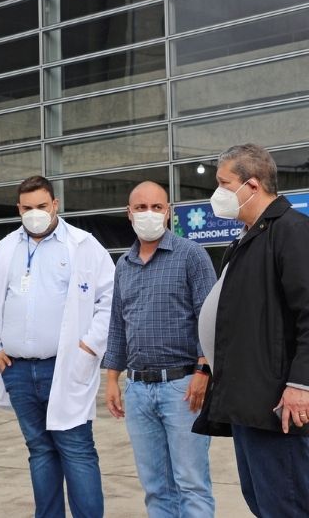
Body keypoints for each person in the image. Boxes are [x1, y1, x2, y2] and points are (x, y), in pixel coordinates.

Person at [0, 175, 115, 518]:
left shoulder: (83, 245)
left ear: (55, 205)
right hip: (18, 369)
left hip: (65, 366)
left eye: (41, 206)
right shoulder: (5, 248)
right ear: (18, 209)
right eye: (27, 208)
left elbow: (109, 299)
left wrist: (87, 348)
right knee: (39, 449)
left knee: (77, 449)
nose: (35, 213)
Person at [194, 144, 309, 517]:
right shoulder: (247, 238)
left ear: (253, 185)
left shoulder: (291, 231)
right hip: (248, 403)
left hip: (278, 407)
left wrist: (301, 386)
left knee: (286, 505)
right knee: (262, 502)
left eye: (223, 183)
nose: (217, 193)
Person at [103, 181, 216, 517]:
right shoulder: (124, 264)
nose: (148, 214)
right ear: (129, 213)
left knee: (191, 484)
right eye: (140, 207)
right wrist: (112, 378)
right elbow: (117, 325)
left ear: (168, 212)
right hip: (138, 390)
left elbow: (210, 318)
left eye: (156, 207)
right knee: (155, 488)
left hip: (183, 388)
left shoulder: (191, 255)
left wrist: (203, 370)